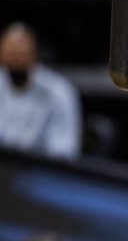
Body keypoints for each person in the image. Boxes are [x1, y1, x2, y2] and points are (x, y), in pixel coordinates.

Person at [0, 23, 81, 159]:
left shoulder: (58, 91)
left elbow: (64, 151)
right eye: (11, 55)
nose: (16, 62)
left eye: (21, 55)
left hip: (40, 173)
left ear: (34, 55)